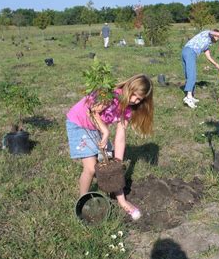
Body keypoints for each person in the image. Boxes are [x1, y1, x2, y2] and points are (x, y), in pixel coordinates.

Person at [66, 74, 154, 220]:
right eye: (134, 95)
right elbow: (92, 111)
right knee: (90, 168)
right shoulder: (110, 94)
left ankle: (122, 201)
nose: (134, 101)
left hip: (96, 128)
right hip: (80, 123)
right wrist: (105, 131)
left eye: (139, 99)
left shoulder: (127, 109)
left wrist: (117, 164)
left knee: (112, 166)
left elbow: (120, 138)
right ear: (129, 87)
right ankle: (83, 201)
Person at [181, 29, 219, 108]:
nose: (217, 40)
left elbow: (209, 57)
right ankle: (188, 98)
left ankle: (190, 96)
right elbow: (217, 33)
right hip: (190, 51)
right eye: (217, 38)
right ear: (214, 35)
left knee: (189, 74)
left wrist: (217, 65)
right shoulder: (206, 34)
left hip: (186, 52)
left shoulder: (207, 44)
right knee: (192, 75)